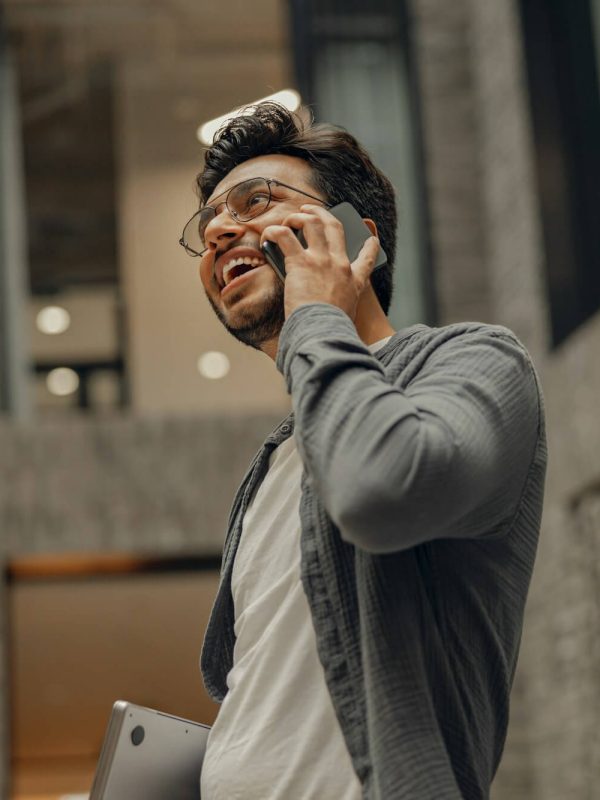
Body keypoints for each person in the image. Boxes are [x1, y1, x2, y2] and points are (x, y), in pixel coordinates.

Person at [180, 102, 546, 800]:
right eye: (209, 225)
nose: (222, 229)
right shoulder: (272, 464)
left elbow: (381, 489)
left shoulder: (478, 360)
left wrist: (315, 313)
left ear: (353, 235)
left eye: (256, 201)